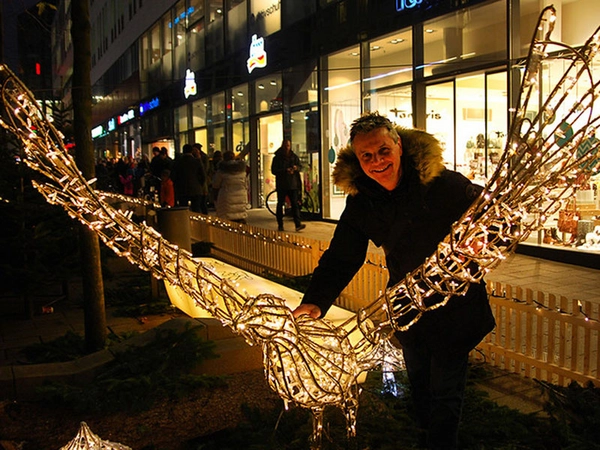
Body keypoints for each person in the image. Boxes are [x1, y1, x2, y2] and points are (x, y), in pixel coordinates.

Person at [292, 112, 495, 450]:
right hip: (410, 312)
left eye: (383, 151)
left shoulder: (443, 184)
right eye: (367, 156)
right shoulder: (363, 201)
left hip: (455, 307)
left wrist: (479, 243)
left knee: (445, 393)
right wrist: (316, 300)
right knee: (420, 388)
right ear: (358, 159)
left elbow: (490, 214)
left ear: (398, 145)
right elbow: (343, 254)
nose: (377, 162)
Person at [270, 139, 305, 232]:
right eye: (285, 146)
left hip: (292, 184)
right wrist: (285, 170)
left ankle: (298, 224)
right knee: (280, 204)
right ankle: (280, 224)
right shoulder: (277, 158)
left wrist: (296, 168)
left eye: (288, 146)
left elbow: (300, 166)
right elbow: (274, 170)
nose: (287, 148)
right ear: (282, 146)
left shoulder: (294, 157)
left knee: (295, 204)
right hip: (282, 184)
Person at [213, 151, 248, 223]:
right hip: (241, 196)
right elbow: (246, 184)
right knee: (240, 215)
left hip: (226, 196)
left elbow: (215, 184)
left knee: (226, 217)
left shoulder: (221, 171)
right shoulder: (242, 171)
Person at [171, 143, 206, 213]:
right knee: (196, 208)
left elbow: (173, 176)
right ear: (192, 151)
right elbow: (203, 175)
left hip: (182, 189)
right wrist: (200, 185)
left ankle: (184, 223)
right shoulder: (196, 161)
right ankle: (197, 223)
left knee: (183, 209)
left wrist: (177, 186)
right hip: (196, 189)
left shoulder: (178, 162)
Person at [192, 143, 209, 214]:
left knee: (201, 203)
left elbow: (205, 170)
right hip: (201, 182)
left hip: (201, 182)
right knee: (201, 203)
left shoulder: (202, 157)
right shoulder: (202, 157)